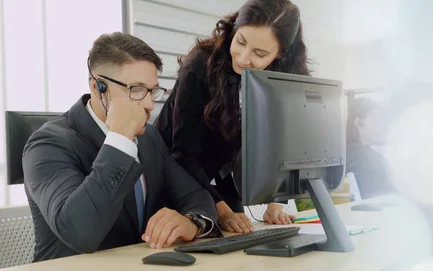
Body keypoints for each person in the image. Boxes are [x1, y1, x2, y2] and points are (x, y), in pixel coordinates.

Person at [23, 32, 220, 262]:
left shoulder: (150, 139)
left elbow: (196, 196)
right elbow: (80, 233)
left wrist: (192, 223)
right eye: (136, 90)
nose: (148, 104)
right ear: (98, 88)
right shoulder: (47, 145)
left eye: (152, 91)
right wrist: (120, 139)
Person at [153, 0, 309, 233]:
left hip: (219, 174)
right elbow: (183, 154)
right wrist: (223, 211)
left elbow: (282, 143)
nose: (244, 58)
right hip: (173, 174)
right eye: (241, 42)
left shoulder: (281, 79)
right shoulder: (199, 67)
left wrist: (276, 201)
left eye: (260, 53)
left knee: (240, 241)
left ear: (280, 54)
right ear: (234, 29)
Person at [346, 97, 397, 199]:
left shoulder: (369, 154)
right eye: (376, 121)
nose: (380, 127)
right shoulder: (355, 156)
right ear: (359, 123)